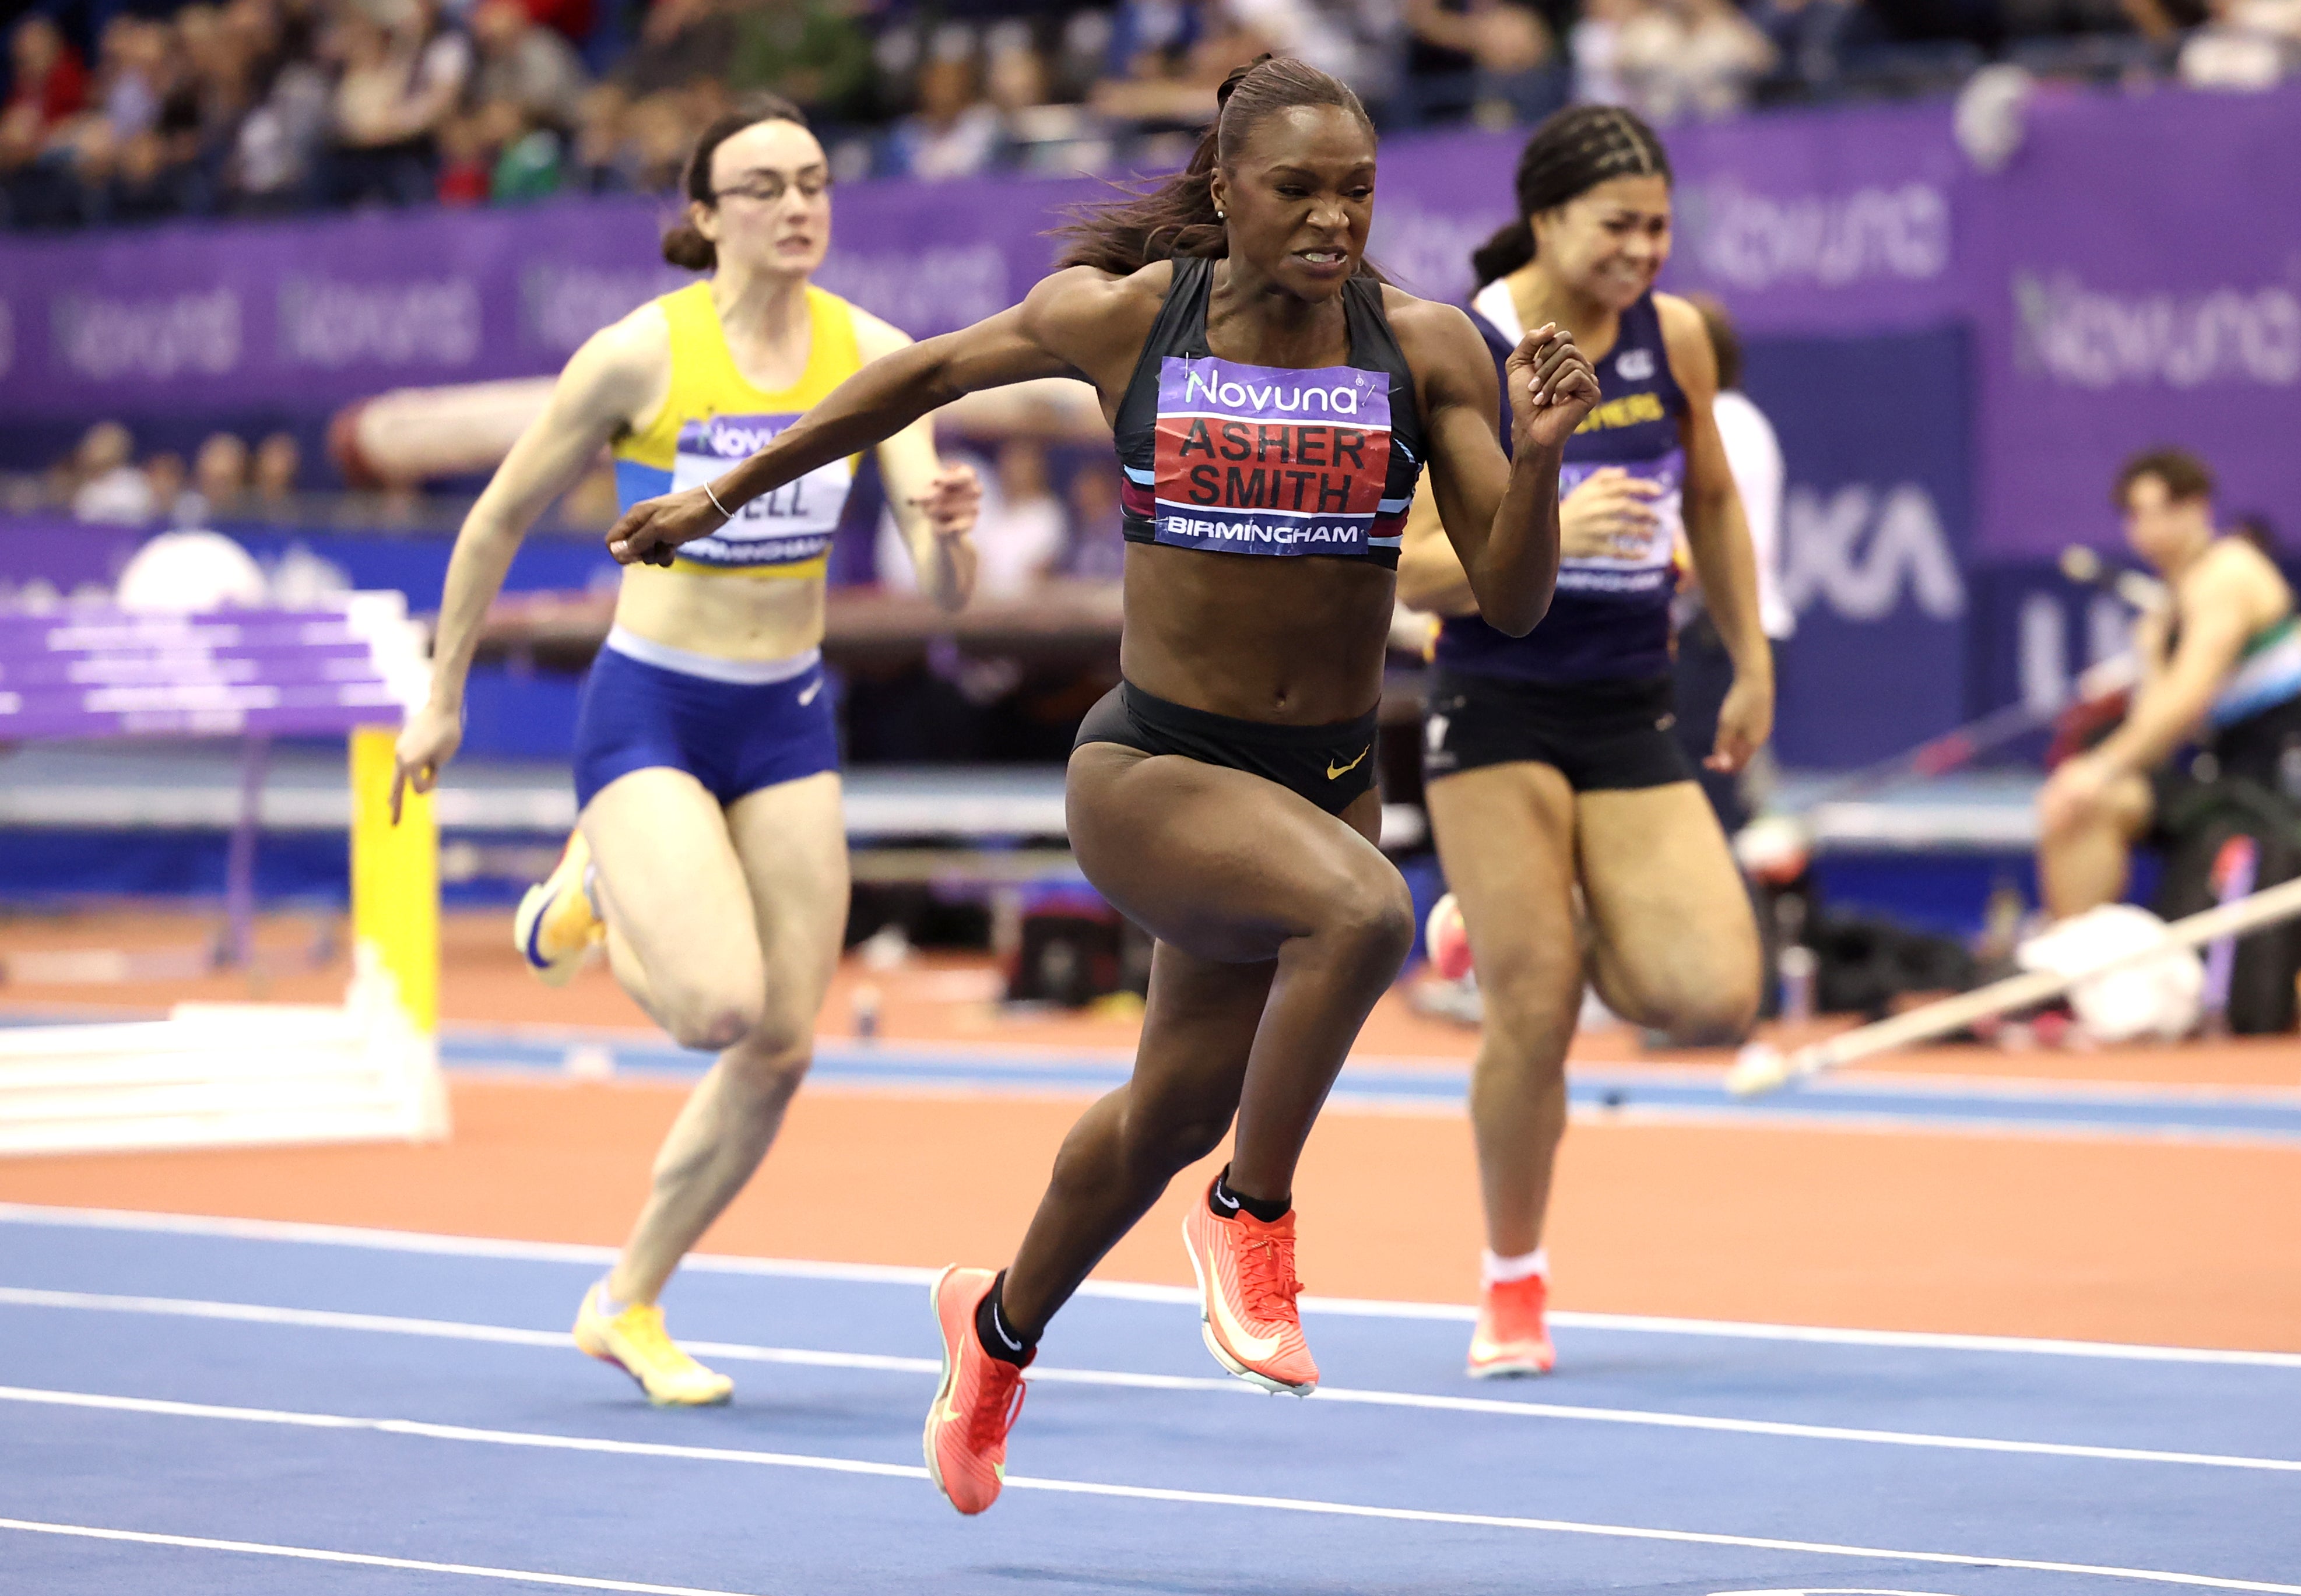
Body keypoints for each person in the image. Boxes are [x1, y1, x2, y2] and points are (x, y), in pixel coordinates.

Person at [605, 55, 1599, 1515]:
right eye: (1297, 190)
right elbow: (923, 374)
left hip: (1318, 781)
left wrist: (1544, 458)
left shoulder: (1427, 347)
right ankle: (1250, 1217)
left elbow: (1507, 600)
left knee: (1165, 1110)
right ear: (1224, 189)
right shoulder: (1134, 321)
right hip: (1154, 770)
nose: (1332, 220)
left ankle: (997, 1332)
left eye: (1357, 193)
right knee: (1369, 920)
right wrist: (723, 493)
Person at [390, 97, 981, 1406]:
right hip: (654, 704)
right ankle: (591, 883)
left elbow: (944, 592)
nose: (797, 205)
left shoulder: (875, 354)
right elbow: (491, 525)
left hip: (785, 716)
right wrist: (443, 698)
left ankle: (627, 1300)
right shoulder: (633, 360)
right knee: (716, 1006)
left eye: (815, 179)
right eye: (763, 186)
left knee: (779, 1042)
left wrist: (950, 530)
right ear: (705, 217)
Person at [1392, 104, 1769, 1381]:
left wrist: (1752, 656)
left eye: (1659, 225)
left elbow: (1711, 499)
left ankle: (1498, 915)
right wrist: (1547, 504)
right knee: (1537, 1008)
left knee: (1712, 997)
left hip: (1628, 699)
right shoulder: (1466, 345)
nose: (1643, 250)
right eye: (1617, 225)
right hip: (1496, 695)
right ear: (1547, 218)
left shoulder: (1673, 340)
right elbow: (1413, 576)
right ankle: (1512, 1281)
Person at [2037, 447, 2301, 922]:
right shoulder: (2173, 599)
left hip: (2263, 789)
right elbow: (2155, 729)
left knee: (2088, 797)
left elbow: (2186, 705)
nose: (2151, 530)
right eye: (2137, 516)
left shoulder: (2228, 573)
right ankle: (2075, 961)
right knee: (2071, 801)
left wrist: (2098, 770)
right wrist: (2152, 654)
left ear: (2200, 507)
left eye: (2165, 512)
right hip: (2212, 776)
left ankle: (2074, 963)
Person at [1673, 290, 1789, 835]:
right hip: (1722, 636)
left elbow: (1704, 550)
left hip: (1718, 639)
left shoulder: (1723, 425)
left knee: (1703, 812)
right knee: (1711, 804)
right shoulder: (1740, 420)